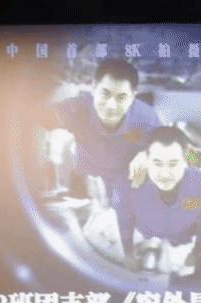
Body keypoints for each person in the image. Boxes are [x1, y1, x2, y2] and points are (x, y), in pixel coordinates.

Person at [50, 58, 161, 203]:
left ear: (132, 97)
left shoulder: (147, 118)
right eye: (105, 94)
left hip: (129, 192)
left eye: (121, 98)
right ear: (94, 88)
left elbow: (170, 144)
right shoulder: (78, 108)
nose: (111, 106)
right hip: (85, 189)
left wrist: (147, 154)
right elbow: (37, 116)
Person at [113, 126, 201, 277]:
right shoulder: (126, 187)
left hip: (183, 239)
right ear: (146, 160)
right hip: (145, 232)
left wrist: (197, 252)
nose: (165, 174)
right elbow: (125, 220)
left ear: (185, 161)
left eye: (173, 164)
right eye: (157, 163)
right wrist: (128, 254)